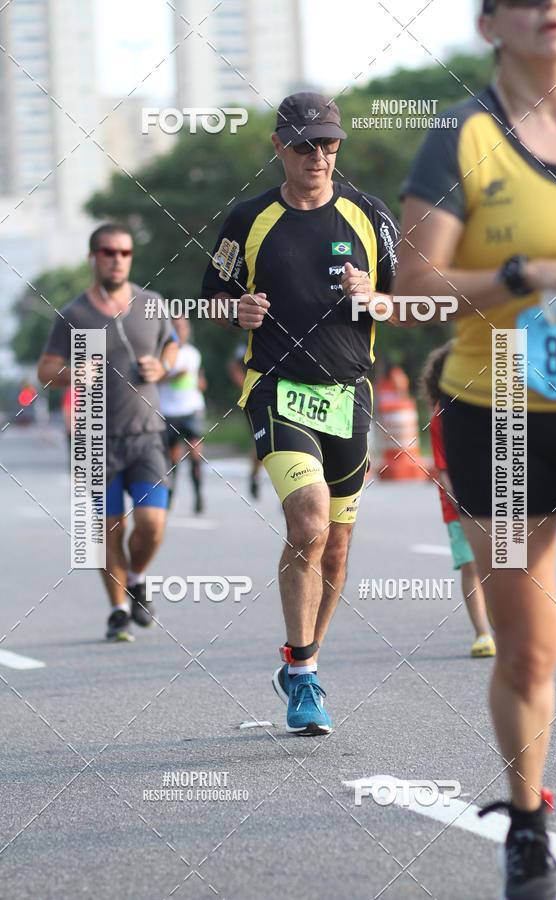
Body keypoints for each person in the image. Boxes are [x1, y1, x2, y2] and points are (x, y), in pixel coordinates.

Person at [395, 2, 556, 897]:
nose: (552, 7)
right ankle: (526, 822)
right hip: (503, 417)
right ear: (489, 25)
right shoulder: (460, 137)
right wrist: (529, 274)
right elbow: (413, 289)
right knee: (526, 650)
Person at [202, 91, 401, 735]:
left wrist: (374, 298)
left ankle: (299, 661)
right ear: (278, 147)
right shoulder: (248, 220)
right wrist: (236, 312)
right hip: (276, 389)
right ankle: (308, 673)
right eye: (304, 144)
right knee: (309, 521)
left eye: (329, 143)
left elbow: (405, 305)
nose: (319, 156)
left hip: (349, 393)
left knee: (336, 548)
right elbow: (209, 302)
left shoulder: (370, 215)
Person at [38, 223, 178, 642]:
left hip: (147, 433)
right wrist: (70, 373)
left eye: (124, 252)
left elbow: (170, 343)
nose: (116, 259)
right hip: (94, 439)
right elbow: (44, 370)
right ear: (93, 257)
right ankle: (118, 610)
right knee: (106, 529)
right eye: (107, 252)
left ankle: (136, 578)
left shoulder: (151, 303)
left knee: (152, 522)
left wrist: (163, 364)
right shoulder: (73, 314)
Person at [420, 343, 496, 658]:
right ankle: (482, 634)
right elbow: (443, 467)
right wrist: (460, 503)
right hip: (459, 504)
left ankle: (508, 627)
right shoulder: (442, 416)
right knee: (471, 566)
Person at [159, 316, 207, 514]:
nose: (181, 330)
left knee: (195, 454)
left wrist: (201, 384)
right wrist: (172, 375)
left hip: (191, 409)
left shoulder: (194, 353)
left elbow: (200, 380)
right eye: (177, 327)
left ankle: (198, 496)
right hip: (169, 410)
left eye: (184, 327)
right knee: (172, 459)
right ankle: (170, 497)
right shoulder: (164, 353)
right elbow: (153, 376)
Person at [227, 342, 263, 499]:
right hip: (255, 399)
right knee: (260, 439)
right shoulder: (245, 345)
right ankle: (255, 475)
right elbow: (233, 366)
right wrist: (245, 387)